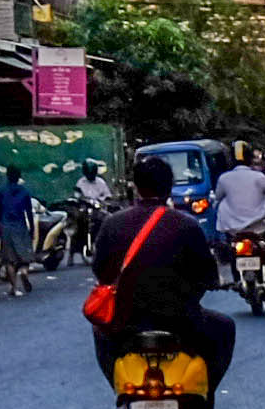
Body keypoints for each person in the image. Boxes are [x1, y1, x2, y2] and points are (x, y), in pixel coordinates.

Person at [89, 154, 232, 391]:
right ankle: (206, 399)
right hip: (181, 321)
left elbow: (101, 271)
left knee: (100, 332)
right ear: (170, 187)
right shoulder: (187, 225)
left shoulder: (113, 223)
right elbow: (207, 274)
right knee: (225, 328)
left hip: (126, 323)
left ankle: (120, 392)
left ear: (135, 187)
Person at [207, 150, 265, 291]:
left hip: (234, 230)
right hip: (258, 228)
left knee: (229, 249)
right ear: (250, 160)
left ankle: (236, 278)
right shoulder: (258, 177)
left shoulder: (224, 179)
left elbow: (217, 199)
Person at [0, 165, 38, 276]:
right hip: (20, 227)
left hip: (6, 227)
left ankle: (14, 288)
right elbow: (29, 212)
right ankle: (24, 271)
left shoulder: (1, 191)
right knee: (25, 257)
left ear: (7, 176)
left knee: (9, 261)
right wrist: (32, 229)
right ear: (19, 177)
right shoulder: (24, 192)